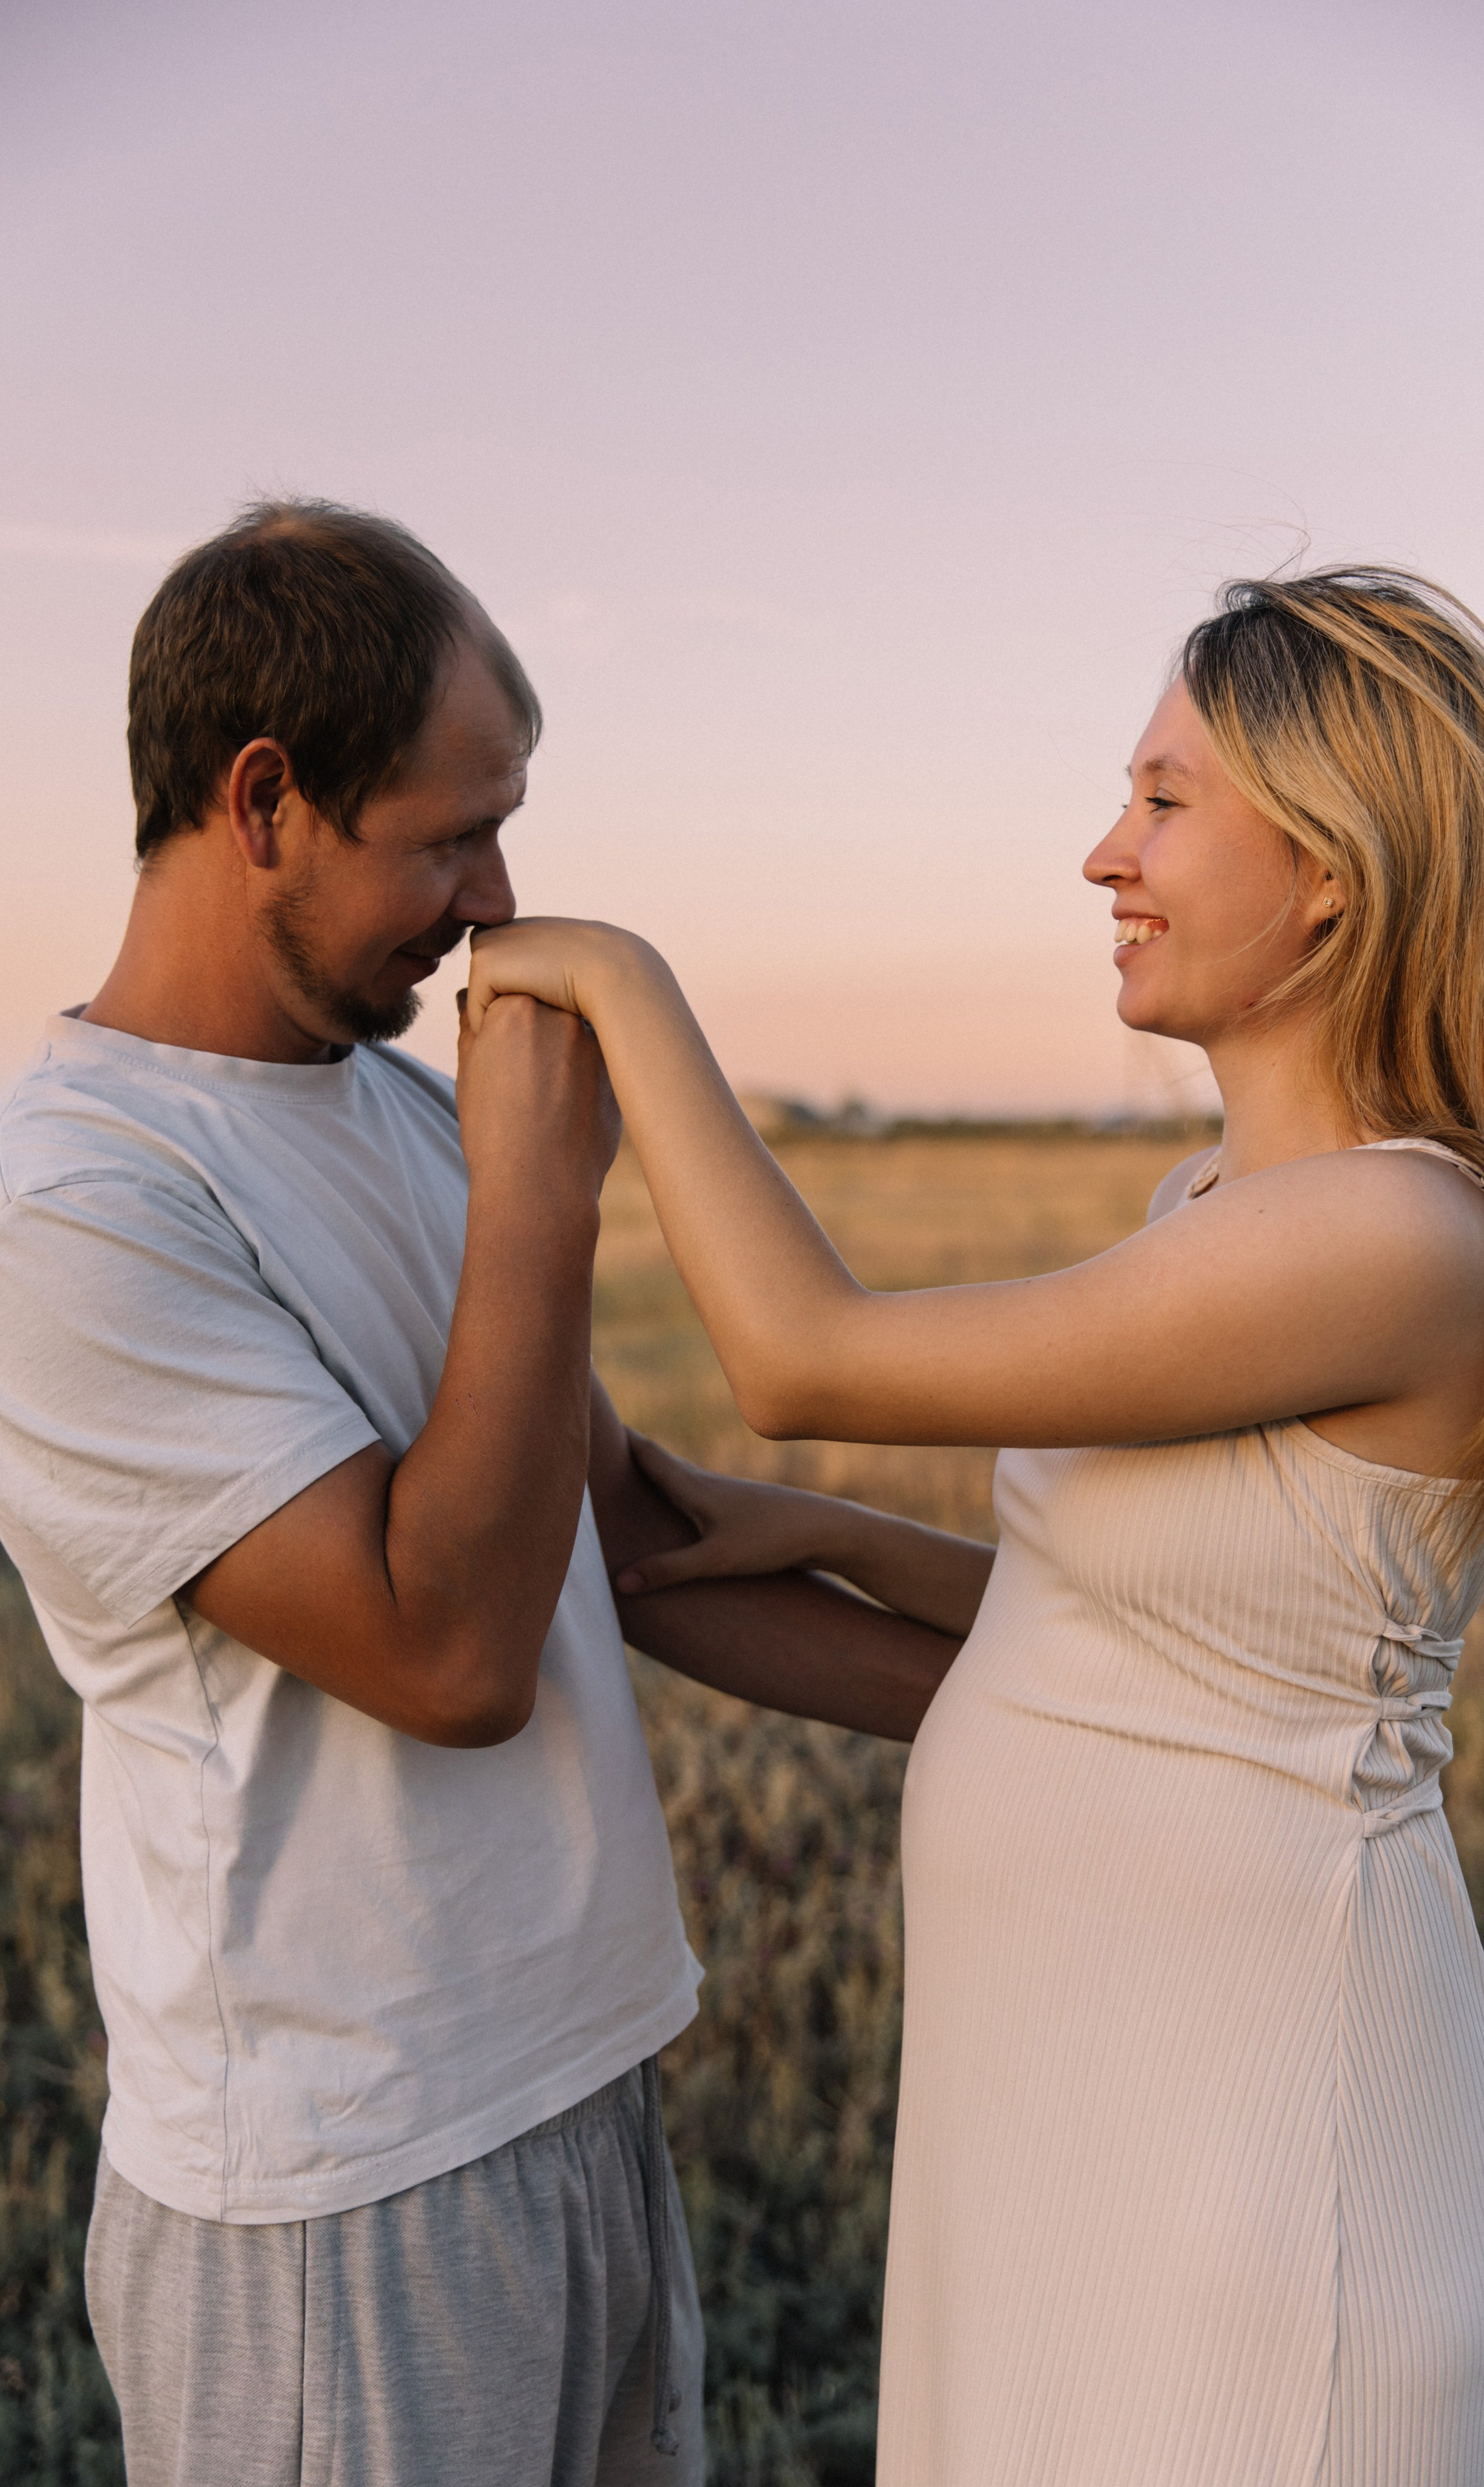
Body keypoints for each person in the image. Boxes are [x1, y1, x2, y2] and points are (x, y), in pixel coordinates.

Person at [466, 566, 1484, 2487]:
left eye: (1165, 799)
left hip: (1263, 2154)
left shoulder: (1399, 1234)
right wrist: (808, 1534)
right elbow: (1192, 1631)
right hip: (1085, 2114)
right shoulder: (1214, 1201)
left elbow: (804, 1348)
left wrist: (618, 980)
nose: (1106, 853)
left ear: (1331, 867)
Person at [0, 501, 973, 2487]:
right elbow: (450, 1650)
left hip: (581, 2088)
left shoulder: (405, 1108)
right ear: (259, 799)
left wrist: (1103, 1701)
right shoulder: (75, 1207)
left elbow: (618, 1547)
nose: (495, 894)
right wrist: (543, 1187)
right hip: (341, 2193)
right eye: (447, 835)